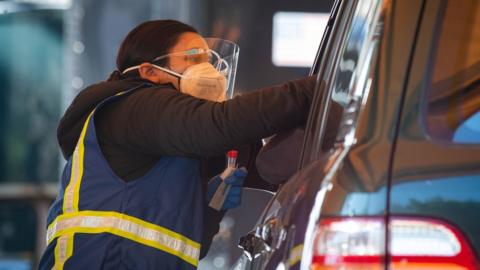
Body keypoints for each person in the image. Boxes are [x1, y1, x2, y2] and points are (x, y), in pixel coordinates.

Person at [39, 19, 316, 270]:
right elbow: (216, 124)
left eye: (212, 60)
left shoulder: (178, 142)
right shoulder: (132, 106)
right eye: (194, 58)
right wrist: (310, 91)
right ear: (150, 71)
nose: (209, 70)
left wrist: (208, 210)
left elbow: (192, 247)